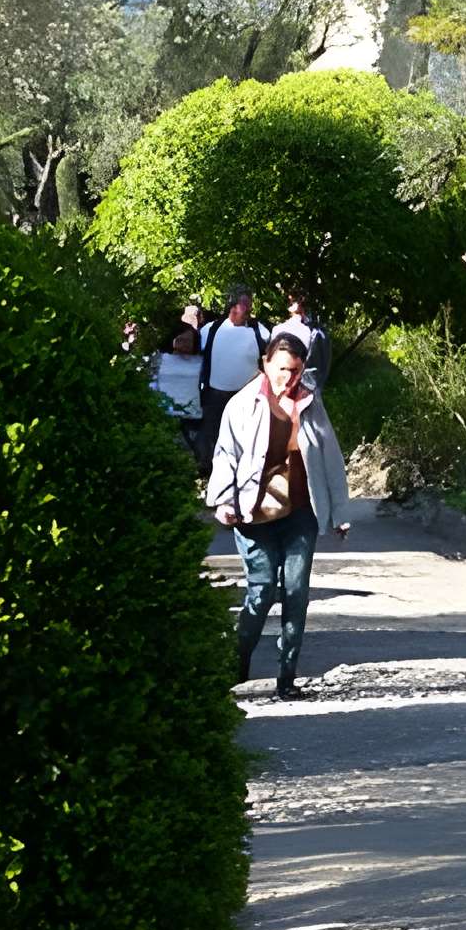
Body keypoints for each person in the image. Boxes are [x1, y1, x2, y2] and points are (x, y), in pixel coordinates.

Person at [206, 329, 351, 698]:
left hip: (301, 510)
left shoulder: (310, 402)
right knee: (263, 589)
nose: (289, 378)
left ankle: (287, 677)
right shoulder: (241, 405)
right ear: (266, 364)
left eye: (297, 371)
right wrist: (224, 502)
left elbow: (329, 455)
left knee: (298, 590)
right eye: (283, 369)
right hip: (254, 514)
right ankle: (237, 662)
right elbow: (226, 455)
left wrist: (339, 512)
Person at [152, 322, 210, 473]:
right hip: (162, 417)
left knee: (187, 465)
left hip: (191, 419)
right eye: (181, 340)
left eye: (188, 341)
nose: (184, 344)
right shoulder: (158, 360)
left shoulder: (202, 364)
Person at [202, 291, 266, 412]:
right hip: (215, 398)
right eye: (244, 305)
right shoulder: (210, 329)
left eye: (249, 305)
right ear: (232, 307)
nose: (249, 309)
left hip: (248, 398)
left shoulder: (260, 331)